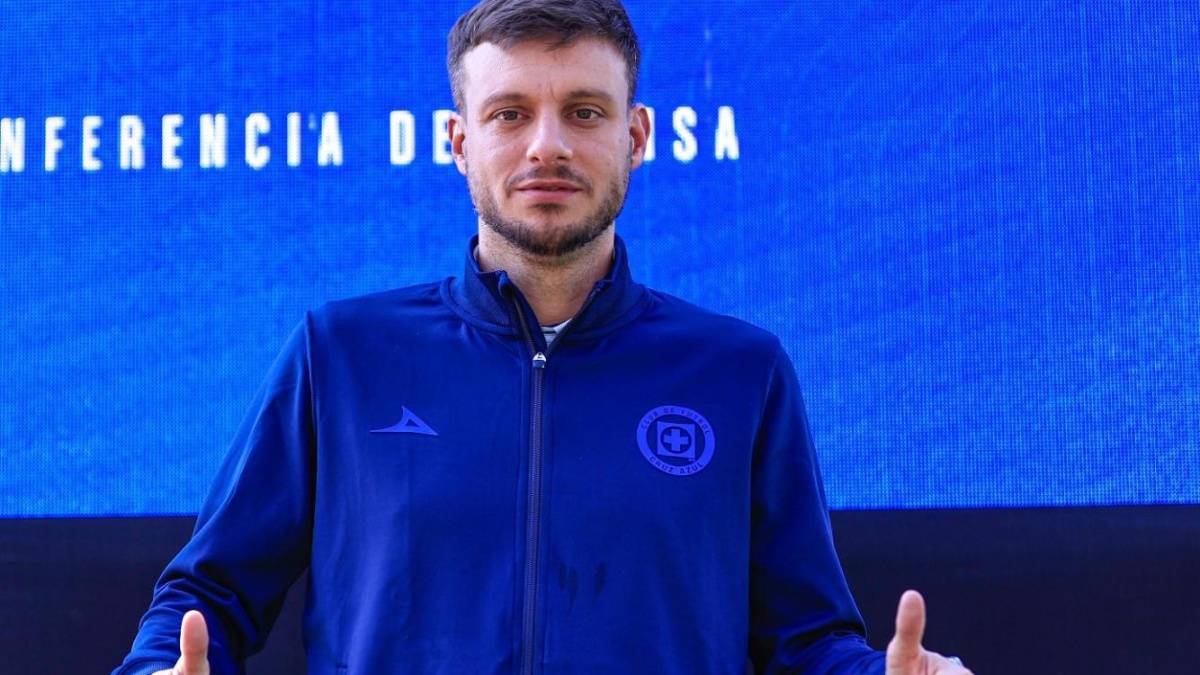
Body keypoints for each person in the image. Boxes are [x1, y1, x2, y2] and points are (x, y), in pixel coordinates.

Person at [114, 1, 972, 673]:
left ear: (636, 137)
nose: (548, 146)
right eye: (510, 114)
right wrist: (163, 666)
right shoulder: (341, 354)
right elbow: (208, 593)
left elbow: (806, 640)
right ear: (459, 140)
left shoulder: (740, 371)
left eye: (586, 112)